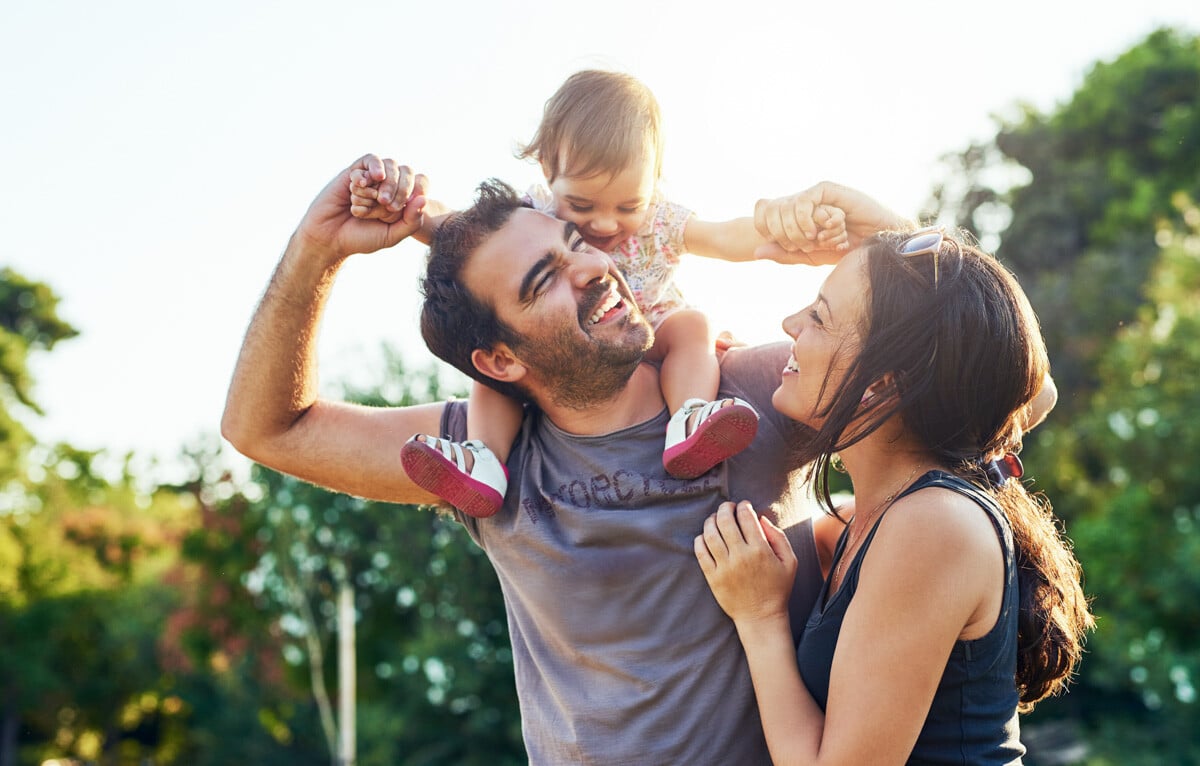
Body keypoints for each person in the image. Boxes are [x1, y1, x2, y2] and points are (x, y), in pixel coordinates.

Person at [222, 153, 850, 764]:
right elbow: (267, 428)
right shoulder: (483, 463)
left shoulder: (755, 394)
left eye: (576, 242)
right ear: (499, 362)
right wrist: (317, 246)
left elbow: (932, 349)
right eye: (544, 279)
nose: (593, 267)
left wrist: (869, 228)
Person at [694, 185, 1092, 765]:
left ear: (884, 383)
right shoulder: (882, 515)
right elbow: (1019, 383)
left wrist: (760, 617)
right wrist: (899, 248)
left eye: (820, 317)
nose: (789, 322)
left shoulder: (933, 525)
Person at [348, 69, 848, 517]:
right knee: (501, 368)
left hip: (648, 329)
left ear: (654, 184)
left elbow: (723, 236)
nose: (606, 224)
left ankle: (691, 417)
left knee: (693, 326)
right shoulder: (533, 216)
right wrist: (399, 202)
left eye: (629, 204)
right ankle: (484, 459)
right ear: (547, 169)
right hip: (570, 347)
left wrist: (784, 234)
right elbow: (450, 225)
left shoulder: (659, 221)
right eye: (582, 204)